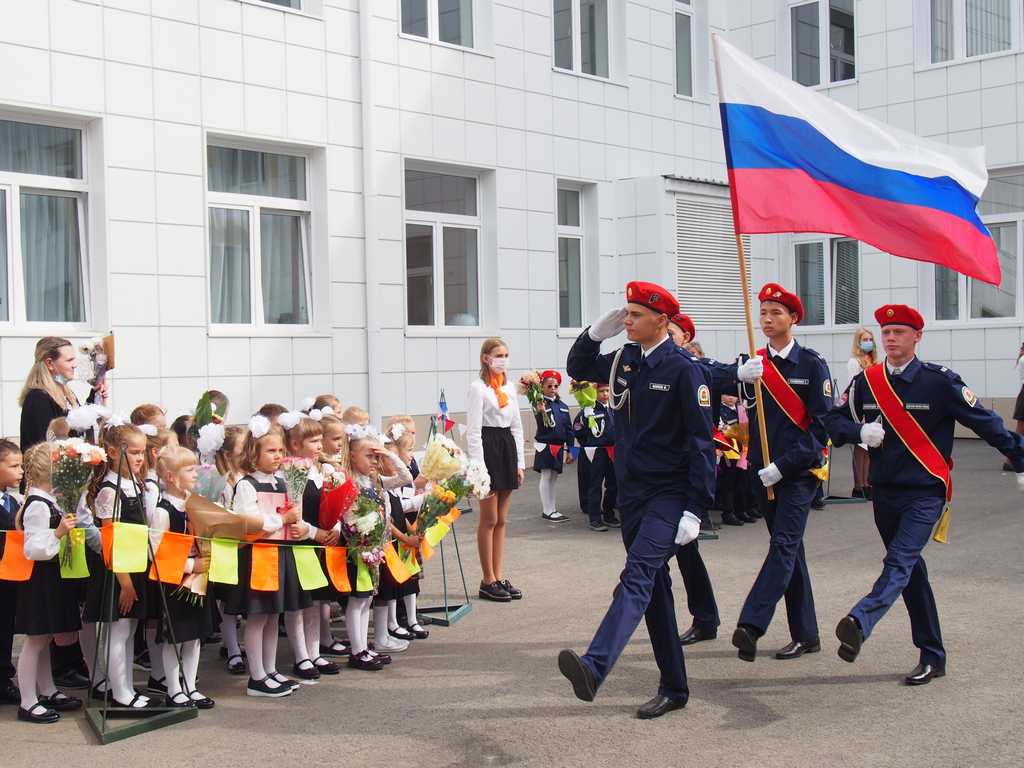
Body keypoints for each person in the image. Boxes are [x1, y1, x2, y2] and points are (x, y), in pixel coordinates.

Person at [824, 305, 1024, 685]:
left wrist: (1020, 457)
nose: (890, 339)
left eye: (899, 332)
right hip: (883, 491)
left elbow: (986, 423)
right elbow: (832, 422)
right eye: (886, 332)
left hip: (924, 492)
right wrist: (858, 433)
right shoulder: (867, 382)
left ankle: (860, 620)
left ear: (917, 337)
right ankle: (932, 654)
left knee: (899, 562)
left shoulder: (939, 382)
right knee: (911, 573)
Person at [558, 281, 714, 720]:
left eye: (635, 315)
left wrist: (694, 510)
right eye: (625, 313)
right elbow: (579, 365)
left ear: (661, 320)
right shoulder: (625, 360)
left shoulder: (685, 369)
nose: (628, 321)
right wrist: (596, 332)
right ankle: (675, 687)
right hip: (634, 494)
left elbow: (703, 444)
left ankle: (595, 665)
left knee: (638, 574)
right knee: (655, 590)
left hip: (669, 493)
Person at [729, 283, 832, 664]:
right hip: (762, 471)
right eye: (764, 313)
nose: (768, 320)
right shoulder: (754, 362)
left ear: (793, 319)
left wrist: (782, 466)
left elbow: (820, 428)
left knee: (783, 546)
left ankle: (751, 624)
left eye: (776, 313)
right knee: (792, 553)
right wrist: (740, 376)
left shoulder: (811, 364)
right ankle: (806, 634)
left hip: (799, 473)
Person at [226, 418, 302, 698]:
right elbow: (249, 521)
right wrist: (282, 518)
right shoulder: (247, 485)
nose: (278, 456)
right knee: (258, 617)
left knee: (273, 616)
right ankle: (256, 675)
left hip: (279, 554)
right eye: (271, 451)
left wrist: (293, 525)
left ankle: (270, 670)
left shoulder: (281, 482)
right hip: (259, 557)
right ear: (253, 454)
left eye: (280, 451)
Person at [82, 422, 155, 709]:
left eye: (143, 452)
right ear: (112, 452)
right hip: (118, 571)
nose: (139, 458)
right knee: (118, 632)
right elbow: (109, 541)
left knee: (130, 630)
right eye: (133, 452)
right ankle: (120, 691)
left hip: (136, 565)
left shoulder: (136, 484)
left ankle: (125, 686)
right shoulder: (110, 490)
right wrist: (124, 581)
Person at [13, 443, 83, 723]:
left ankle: (48, 689)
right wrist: (58, 533)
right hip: (41, 580)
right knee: (36, 640)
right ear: (47, 472)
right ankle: (27, 701)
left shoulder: (49, 501)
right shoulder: (38, 506)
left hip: (53, 577)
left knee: (45, 637)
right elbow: (32, 548)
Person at [665, 315, 722, 645]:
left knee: (664, 553)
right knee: (687, 552)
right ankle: (706, 618)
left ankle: (702, 618)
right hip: (664, 473)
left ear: (685, 337)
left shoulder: (694, 368)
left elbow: (723, 374)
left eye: (671, 333)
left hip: (687, 471)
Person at [152, 446, 214, 708]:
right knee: (175, 636)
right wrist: (191, 564)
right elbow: (154, 552)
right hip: (176, 579)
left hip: (198, 577)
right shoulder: (163, 510)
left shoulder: (194, 502)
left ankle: (191, 685)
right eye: (189, 470)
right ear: (170, 477)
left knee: (195, 635)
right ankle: (174, 687)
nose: (195, 473)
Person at [466, 339, 525, 603]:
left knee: (501, 519)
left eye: (506, 354)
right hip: (488, 448)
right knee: (488, 519)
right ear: (485, 358)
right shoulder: (478, 389)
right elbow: (474, 432)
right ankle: (487, 578)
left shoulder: (509, 388)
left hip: (507, 447)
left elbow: (517, 427)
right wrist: (479, 467)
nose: (503, 359)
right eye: (498, 355)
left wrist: (520, 463)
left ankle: (498, 575)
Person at [18, 336, 107, 453]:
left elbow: (80, 425)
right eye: (69, 360)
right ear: (50, 363)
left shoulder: (67, 393)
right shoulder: (38, 398)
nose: (75, 365)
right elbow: (44, 446)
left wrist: (95, 393)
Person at [572, 383, 619, 532]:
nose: (605, 394)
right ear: (594, 393)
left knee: (613, 484)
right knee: (595, 485)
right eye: (601, 391)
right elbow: (578, 430)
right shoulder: (589, 410)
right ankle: (595, 518)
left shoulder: (613, 408)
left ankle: (609, 513)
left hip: (612, 450)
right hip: (596, 451)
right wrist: (589, 444)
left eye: (607, 391)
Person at [533, 370, 574, 523]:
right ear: (542, 387)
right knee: (546, 476)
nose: (552, 389)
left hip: (558, 446)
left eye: (555, 386)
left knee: (554, 478)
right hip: (545, 445)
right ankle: (547, 510)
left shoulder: (563, 406)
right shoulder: (539, 404)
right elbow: (542, 426)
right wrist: (540, 412)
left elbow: (569, 429)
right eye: (549, 386)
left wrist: (571, 449)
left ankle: (553, 509)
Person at [0, 441, 23, 707]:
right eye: (13, 466)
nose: (19, 472)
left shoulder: (12, 500)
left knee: (5, 629)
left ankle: (3, 678)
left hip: (9, 577)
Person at [846, 327, 878, 498]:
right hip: (860, 406)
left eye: (870, 339)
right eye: (864, 339)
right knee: (860, 447)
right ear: (858, 342)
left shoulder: (874, 361)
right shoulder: (854, 362)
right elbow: (854, 385)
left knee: (869, 449)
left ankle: (867, 483)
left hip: (873, 407)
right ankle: (858, 486)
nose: (868, 342)